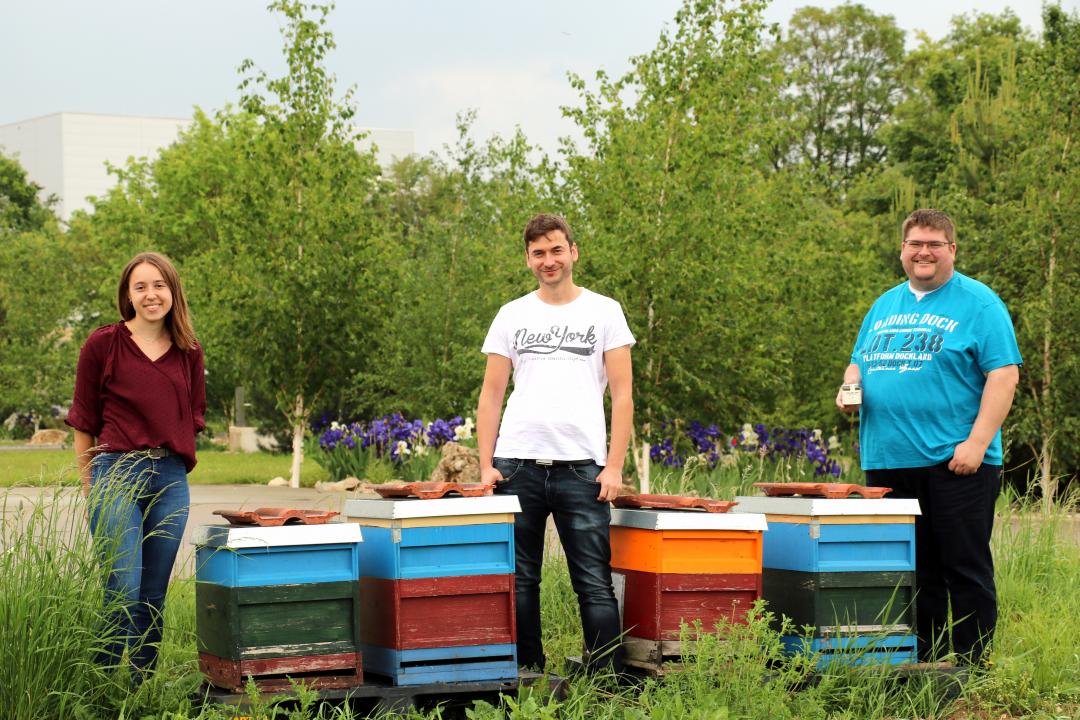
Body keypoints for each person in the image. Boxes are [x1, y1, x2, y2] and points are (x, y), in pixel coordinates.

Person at [837, 209, 1021, 664]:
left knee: (963, 566)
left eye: (934, 244)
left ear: (951, 250)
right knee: (911, 570)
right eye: (915, 243)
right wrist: (850, 388)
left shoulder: (979, 304)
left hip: (955, 459)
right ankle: (921, 657)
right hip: (888, 459)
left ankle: (973, 665)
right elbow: (858, 362)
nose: (924, 252)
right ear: (902, 250)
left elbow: (1004, 375)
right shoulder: (884, 305)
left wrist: (977, 443)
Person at [478, 213, 634, 673]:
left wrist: (615, 466)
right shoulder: (512, 314)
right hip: (516, 465)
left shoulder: (605, 311)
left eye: (556, 250)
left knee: (593, 581)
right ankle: (527, 671)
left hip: (583, 467)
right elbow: (490, 395)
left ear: (573, 252)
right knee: (520, 578)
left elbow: (623, 395)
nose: (549, 260)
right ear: (528, 259)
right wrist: (486, 465)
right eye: (539, 253)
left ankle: (606, 677)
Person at [66, 251, 206, 676]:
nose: (151, 294)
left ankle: (139, 686)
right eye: (140, 286)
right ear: (127, 295)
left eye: (159, 285)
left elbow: (193, 416)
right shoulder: (103, 344)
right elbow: (84, 422)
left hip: (170, 480)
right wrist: (91, 486)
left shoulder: (188, 351)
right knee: (122, 589)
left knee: (152, 594)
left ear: (172, 291)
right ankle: (103, 684)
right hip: (115, 474)